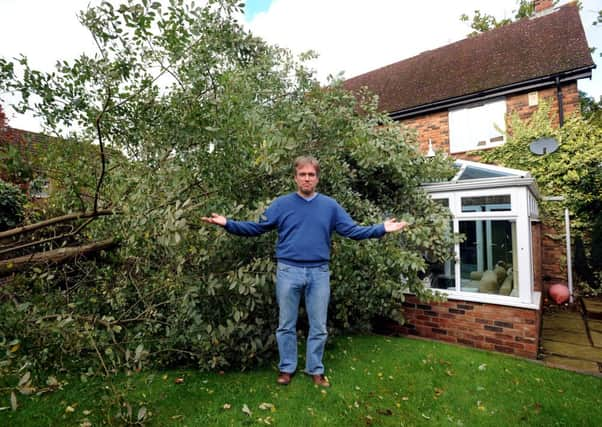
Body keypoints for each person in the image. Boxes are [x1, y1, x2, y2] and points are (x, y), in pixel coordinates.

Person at [202, 155, 407, 387]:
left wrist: (381, 228)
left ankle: (315, 370)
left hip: (319, 273)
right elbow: (256, 228)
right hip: (288, 271)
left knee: (318, 326)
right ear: (295, 178)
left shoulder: (330, 206)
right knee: (286, 324)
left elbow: (352, 230)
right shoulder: (281, 204)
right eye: (303, 174)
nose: (307, 178)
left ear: (317, 178)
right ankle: (286, 368)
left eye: (311, 175)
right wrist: (228, 223)